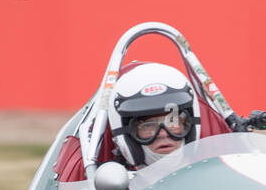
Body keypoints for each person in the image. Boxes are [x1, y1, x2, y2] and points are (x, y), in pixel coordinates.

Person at [54, 61, 230, 182]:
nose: (163, 133)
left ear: (189, 124)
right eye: (148, 126)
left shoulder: (216, 175)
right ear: (125, 133)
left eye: (172, 121)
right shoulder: (112, 189)